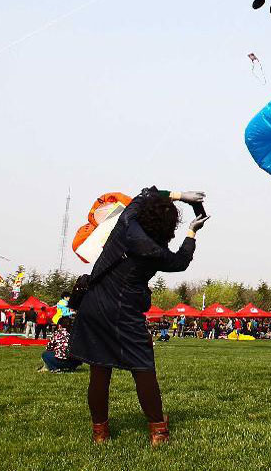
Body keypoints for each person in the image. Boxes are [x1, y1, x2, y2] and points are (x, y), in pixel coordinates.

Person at [70, 187, 208, 446]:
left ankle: (100, 433)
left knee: (99, 371)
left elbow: (145, 193)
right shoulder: (155, 251)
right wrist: (192, 232)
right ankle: (158, 431)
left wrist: (178, 195)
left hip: (94, 305)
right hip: (125, 312)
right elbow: (181, 261)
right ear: (168, 227)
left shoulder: (126, 223)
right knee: (143, 368)